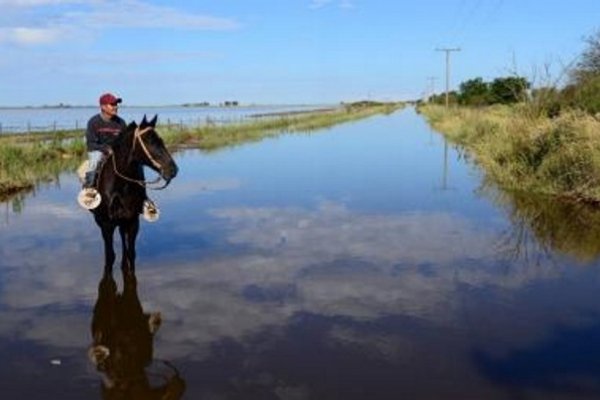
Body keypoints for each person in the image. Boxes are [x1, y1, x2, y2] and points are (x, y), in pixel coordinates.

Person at [79, 93, 159, 220]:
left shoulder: (121, 122)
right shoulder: (94, 122)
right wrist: (106, 149)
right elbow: (91, 143)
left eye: (116, 104)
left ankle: (144, 198)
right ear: (103, 107)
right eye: (112, 104)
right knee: (94, 162)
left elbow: (125, 142)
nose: (115, 107)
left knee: (137, 166)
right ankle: (90, 190)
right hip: (99, 150)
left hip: (117, 152)